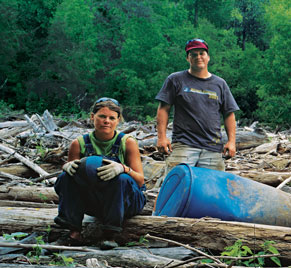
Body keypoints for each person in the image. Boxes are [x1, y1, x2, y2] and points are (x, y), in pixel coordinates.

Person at [54, 98, 146, 249]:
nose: (106, 121)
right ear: (92, 117)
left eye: (112, 118)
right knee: (66, 177)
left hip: (127, 201)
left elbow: (140, 181)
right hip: (97, 201)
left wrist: (124, 168)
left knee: (121, 179)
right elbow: (69, 184)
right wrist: (67, 166)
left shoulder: (127, 142)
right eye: (102, 116)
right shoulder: (79, 143)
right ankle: (73, 232)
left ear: (118, 120)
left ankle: (110, 234)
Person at [155, 38, 240, 171]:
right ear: (188, 58)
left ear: (208, 57)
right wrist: (162, 137)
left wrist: (231, 141)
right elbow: (163, 109)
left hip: (213, 148)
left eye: (201, 53)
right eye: (193, 54)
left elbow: (229, 113)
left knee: (212, 189)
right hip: (184, 146)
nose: (198, 57)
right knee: (177, 185)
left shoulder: (220, 84)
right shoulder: (175, 80)